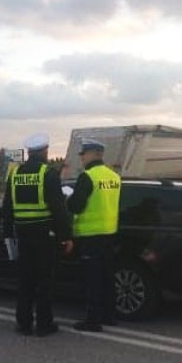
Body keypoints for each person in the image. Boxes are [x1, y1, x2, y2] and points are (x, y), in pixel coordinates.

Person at [2, 133, 73, 336]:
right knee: (44, 282)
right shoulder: (47, 174)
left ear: (29, 152)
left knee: (25, 281)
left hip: (22, 236)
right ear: (44, 151)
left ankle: (23, 324)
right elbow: (59, 209)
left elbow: (7, 207)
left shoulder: (15, 174)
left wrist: (7, 234)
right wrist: (66, 236)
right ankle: (44, 324)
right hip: (44, 237)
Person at [66, 138, 121, 332]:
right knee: (107, 277)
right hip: (110, 233)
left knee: (92, 280)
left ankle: (92, 320)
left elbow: (76, 206)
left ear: (93, 154)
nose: (81, 157)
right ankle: (109, 316)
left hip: (90, 235)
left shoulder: (87, 177)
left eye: (83, 154)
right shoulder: (114, 176)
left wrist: (68, 199)